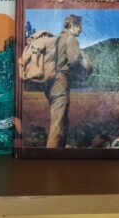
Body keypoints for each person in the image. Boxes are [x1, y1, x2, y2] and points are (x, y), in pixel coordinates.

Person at [44, 14, 91, 148]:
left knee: (63, 120)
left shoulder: (58, 38)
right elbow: (73, 61)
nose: (81, 30)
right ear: (73, 26)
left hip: (49, 83)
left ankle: (60, 149)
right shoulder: (71, 39)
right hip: (60, 83)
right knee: (57, 125)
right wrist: (85, 65)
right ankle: (51, 156)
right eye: (80, 27)